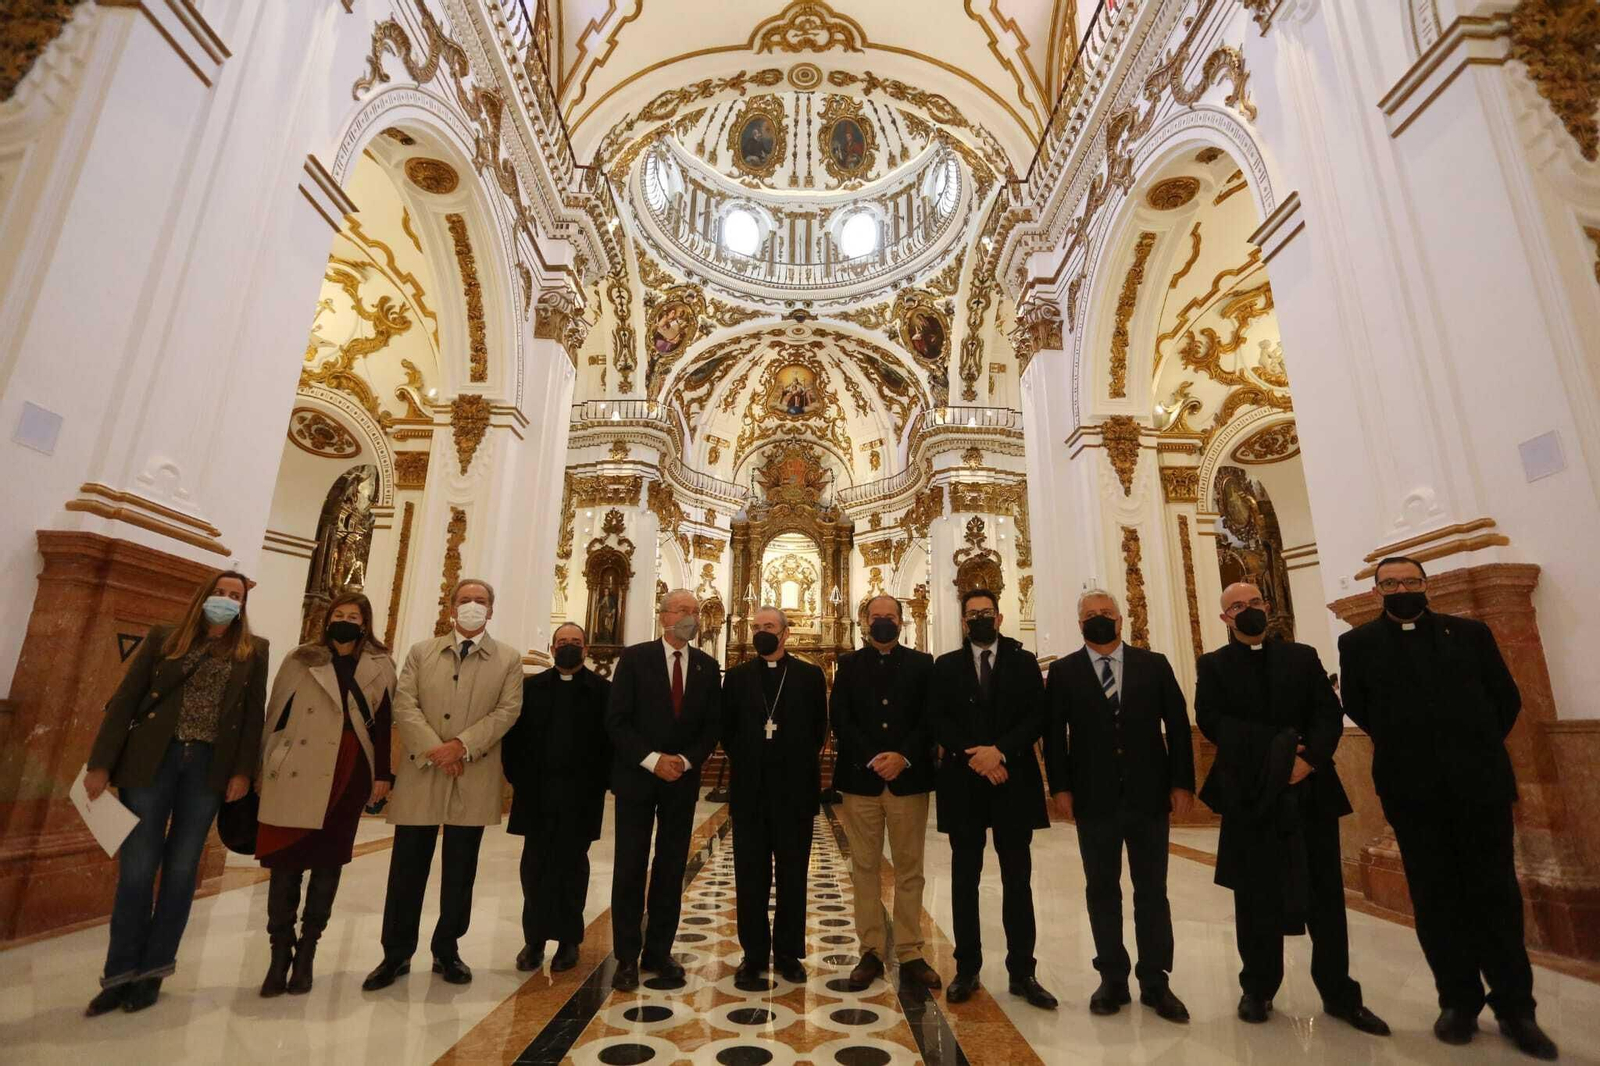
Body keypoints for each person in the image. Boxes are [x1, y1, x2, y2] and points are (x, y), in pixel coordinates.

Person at [1339, 557, 1556, 1059]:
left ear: (1426, 585)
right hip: (1411, 791)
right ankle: (1458, 1002)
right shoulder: (1358, 645)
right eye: (1390, 583)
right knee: (1434, 897)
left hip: (1479, 786)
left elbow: (1505, 698)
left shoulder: (1471, 634)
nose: (1401, 589)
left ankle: (1516, 1009)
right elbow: (1359, 706)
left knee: (1495, 894)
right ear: (1377, 592)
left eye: (1410, 581)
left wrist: (1469, 746)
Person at [1194, 583, 1388, 1035]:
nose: (1247, 611)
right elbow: (1212, 721)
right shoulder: (1214, 666)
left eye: (1254, 603)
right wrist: (1278, 755)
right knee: (1254, 894)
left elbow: (1327, 713)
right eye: (1237, 607)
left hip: (1310, 790)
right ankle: (1258, 988)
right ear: (1225, 618)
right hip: (1250, 792)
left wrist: (1308, 760)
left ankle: (1339, 993)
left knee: (1325, 894)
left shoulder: (1301, 656)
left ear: (1267, 607)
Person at [83, 571, 268, 1016]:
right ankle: (119, 973)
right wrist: (100, 763)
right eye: (219, 593)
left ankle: (153, 971)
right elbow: (127, 698)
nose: (226, 600)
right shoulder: (165, 638)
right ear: (204, 597)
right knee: (137, 869)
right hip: (152, 760)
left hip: (207, 768)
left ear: (243, 605)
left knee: (182, 870)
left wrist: (243, 772)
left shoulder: (253, 650)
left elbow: (252, 716)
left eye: (234, 595)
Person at [362, 578, 523, 991]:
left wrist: (461, 747)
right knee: (406, 869)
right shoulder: (422, 652)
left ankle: (447, 949)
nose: (472, 605)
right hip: (423, 770)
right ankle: (395, 953)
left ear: (491, 610)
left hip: (472, 773)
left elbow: (507, 711)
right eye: (465, 599)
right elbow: (405, 703)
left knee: (460, 871)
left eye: (480, 600)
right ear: (452, 608)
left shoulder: (508, 659)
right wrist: (436, 750)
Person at [1044, 589, 1193, 1023]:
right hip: (1094, 798)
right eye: (1091, 614)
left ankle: (1156, 980)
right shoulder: (1065, 671)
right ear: (1080, 624)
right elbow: (1054, 735)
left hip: (1149, 795)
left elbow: (1178, 725)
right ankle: (1112, 977)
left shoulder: (1154, 664)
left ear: (1121, 620)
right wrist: (1060, 787)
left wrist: (1182, 782)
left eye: (1106, 612)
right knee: (1101, 888)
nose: (1099, 618)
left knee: (1152, 890)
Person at [254, 591, 395, 996]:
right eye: (339, 614)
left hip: (348, 768)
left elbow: (384, 722)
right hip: (295, 768)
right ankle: (280, 951)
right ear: (327, 619)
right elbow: (275, 715)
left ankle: (307, 953)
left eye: (354, 616)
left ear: (365, 625)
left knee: (328, 862)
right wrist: (262, 768)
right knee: (285, 861)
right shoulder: (301, 659)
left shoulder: (381, 664)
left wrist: (382, 774)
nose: (345, 621)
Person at [930, 589, 1056, 1009]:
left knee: (1017, 879)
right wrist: (978, 758)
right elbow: (939, 719)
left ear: (999, 618)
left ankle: (1023, 972)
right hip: (965, 783)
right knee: (964, 880)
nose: (980, 619)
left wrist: (999, 752)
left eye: (986, 612)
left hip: (1012, 780)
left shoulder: (1023, 662)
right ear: (964, 622)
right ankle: (967, 969)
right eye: (972, 614)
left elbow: (1037, 716)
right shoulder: (946, 666)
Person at [605, 588, 722, 991]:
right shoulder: (635, 658)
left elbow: (712, 725)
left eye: (695, 611)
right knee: (630, 866)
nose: (690, 617)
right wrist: (653, 759)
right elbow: (617, 720)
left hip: (681, 781)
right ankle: (626, 956)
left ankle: (659, 951)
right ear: (664, 616)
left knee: (671, 868)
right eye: (682, 610)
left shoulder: (707, 666)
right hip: (637, 777)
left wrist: (685, 761)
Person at [831, 594, 942, 993]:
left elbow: (931, 717)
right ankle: (871, 950)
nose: (883, 622)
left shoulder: (922, 664)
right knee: (864, 867)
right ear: (865, 621)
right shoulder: (848, 664)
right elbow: (840, 717)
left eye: (889, 616)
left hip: (908, 780)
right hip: (861, 780)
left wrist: (903, 756)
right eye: (876, 616)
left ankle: (910, 951)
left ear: (901, 620)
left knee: (910, 868)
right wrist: (873, 757)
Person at [721, 607, 827, 988]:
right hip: (749, 792)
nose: (760, 632)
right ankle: (753, 955)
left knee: (793, 875)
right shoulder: (736, 678)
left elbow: (819, 729)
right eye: (756, 627)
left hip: (794, 792)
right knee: (750, 876)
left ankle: (787, 953)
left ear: (785, 634)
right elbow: (727, 730)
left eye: (768, 626)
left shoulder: (809, 676)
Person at [502, 623, 611, 974]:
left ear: (586, 649)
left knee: (572, 869)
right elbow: (513, 741)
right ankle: (533, 940)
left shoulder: (603, 691)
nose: (568, 646)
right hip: (536, 794)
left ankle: (568, 940)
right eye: (562, 641)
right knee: (534, 868)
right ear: (552, 648)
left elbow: (610, 744)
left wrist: (600, 784)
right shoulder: (530, 688)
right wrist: (520, 780)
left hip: (581, 797)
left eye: (575, 642)